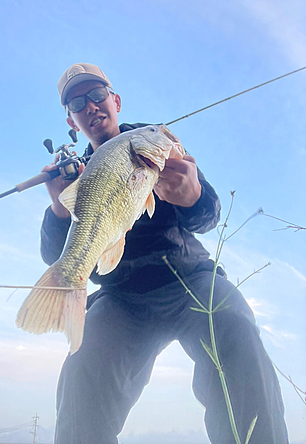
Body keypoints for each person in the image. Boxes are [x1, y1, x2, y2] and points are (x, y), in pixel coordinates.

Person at [40, 63, 289, 444]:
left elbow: (209, 215)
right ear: (72, 121)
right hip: (121, 296)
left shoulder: (153, 143)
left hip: (189, 277)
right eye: (77, 102)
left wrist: (193, 195)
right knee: (81, 369)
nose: (89, 106)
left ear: (115, 100)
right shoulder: (78, 175)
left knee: (236, 328)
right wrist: (59, 207)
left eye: (96, 95)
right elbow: (52, 253)